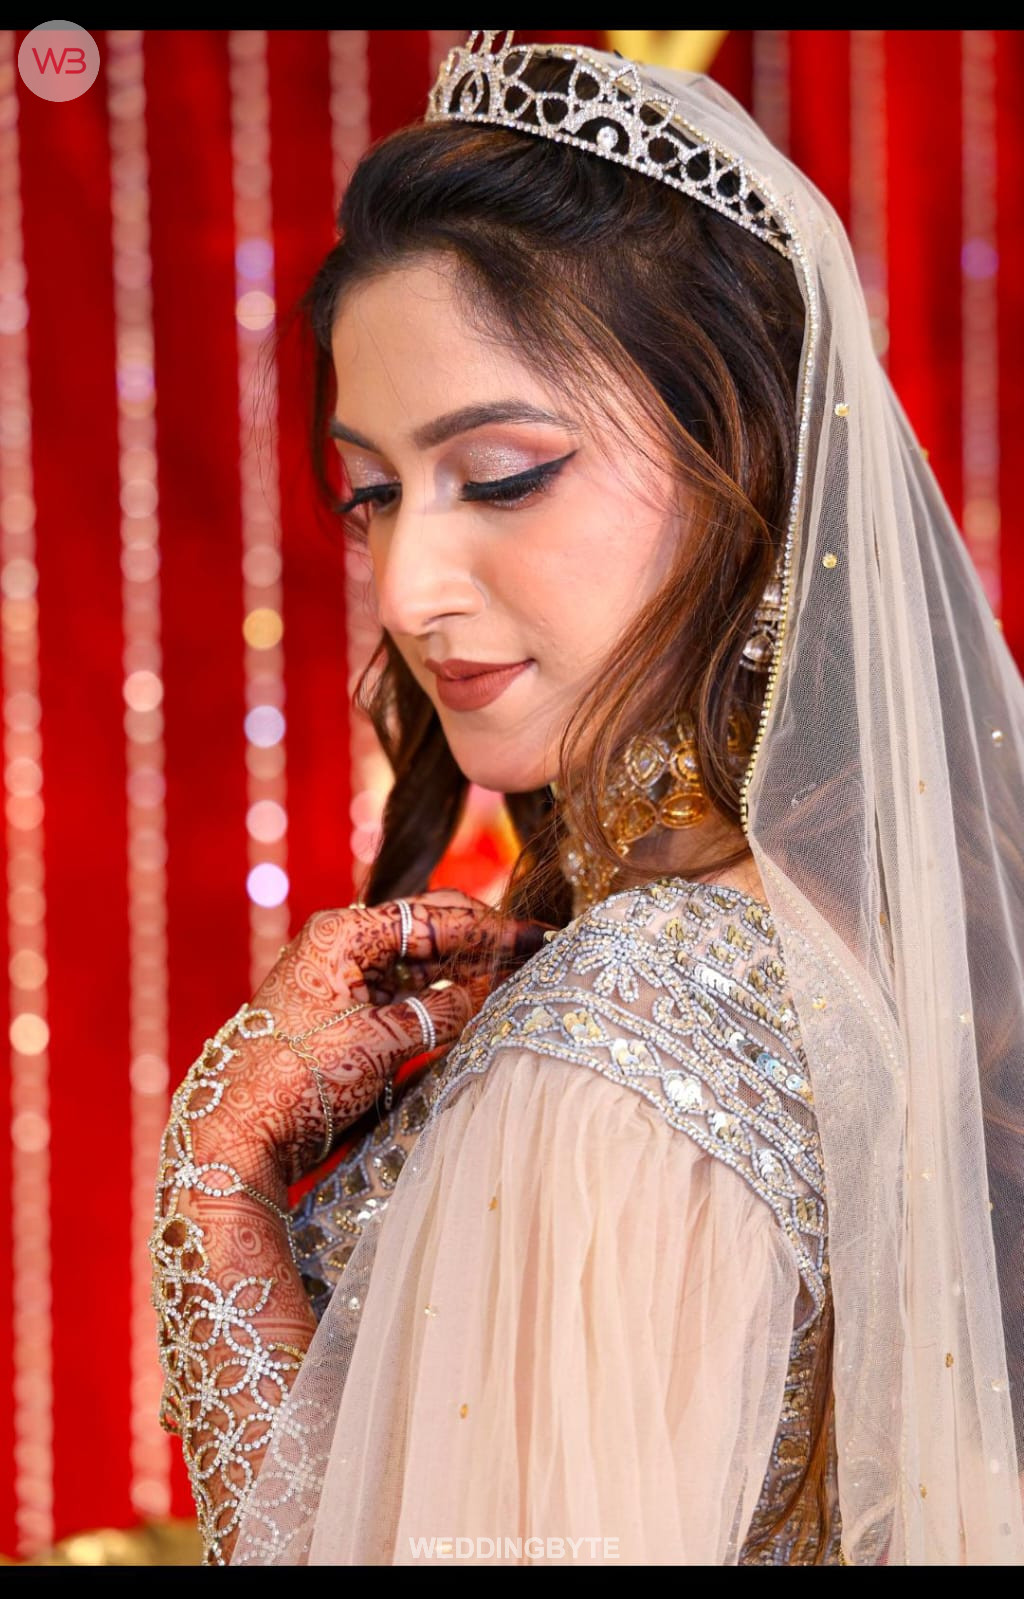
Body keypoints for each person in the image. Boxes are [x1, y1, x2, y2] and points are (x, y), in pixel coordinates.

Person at [150, 33, 1024, 1566]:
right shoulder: (888, 952)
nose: (408, 588)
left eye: (500, 474)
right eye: (373, 495)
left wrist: (215, 1207)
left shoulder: (630, 1021)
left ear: (743, 460)